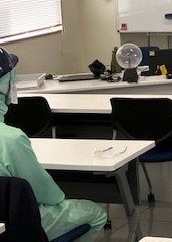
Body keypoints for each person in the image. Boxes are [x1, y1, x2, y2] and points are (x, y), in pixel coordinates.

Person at [0, 47, 107, 242]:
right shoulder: (11, 139)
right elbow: (44, 194)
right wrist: (59, 198)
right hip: (17, 223)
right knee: (95, 213)